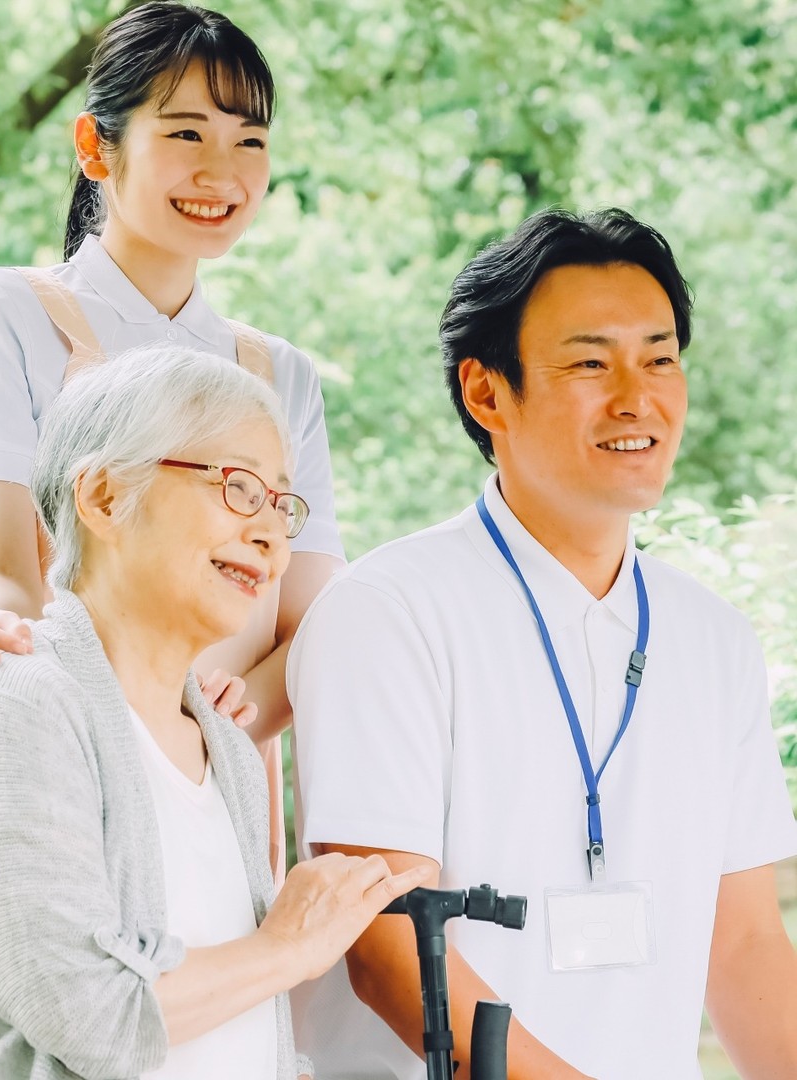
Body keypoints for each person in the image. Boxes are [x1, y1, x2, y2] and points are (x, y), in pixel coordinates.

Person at [288, 208, 797, 1079]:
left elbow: (745, 940)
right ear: (487, 392)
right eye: (591, 363)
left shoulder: (714, 638)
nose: (637, 397)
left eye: (660, 358)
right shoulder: (386, 612)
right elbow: (387, 946)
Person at [0, 345, 425, 1080]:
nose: (271, 534)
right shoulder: (12, 708)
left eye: (281, 504)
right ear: (103, 498)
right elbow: (94, 1019)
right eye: (237, 486)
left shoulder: (225, 746)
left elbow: (235, 1016)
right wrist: (289, 946)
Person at [0, 1, 344, 878]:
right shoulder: (4, 313)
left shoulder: (282, 376)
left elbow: (310, 627)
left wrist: (217, 722)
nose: (221, 170)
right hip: (60, 769)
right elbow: (5, 572)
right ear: (95, 146)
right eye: (185, 133)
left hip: (219, 786)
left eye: (250, 140)